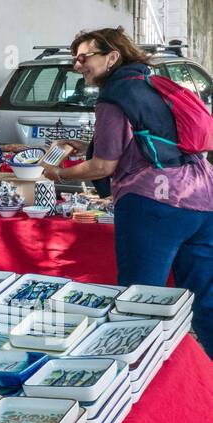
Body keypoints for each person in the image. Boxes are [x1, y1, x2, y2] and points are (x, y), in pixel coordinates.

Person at [42, 27, 213, 354]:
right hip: (203, 199)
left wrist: (58, 173)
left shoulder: (114, 95)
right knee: (205, 296)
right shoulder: (153, 83)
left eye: (83, 57)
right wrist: (85, 145)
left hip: (154, 204)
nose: (77, 66)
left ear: (112, 57)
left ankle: (136, 371)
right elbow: (152, 138)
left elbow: (103, 166)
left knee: (140, 299)